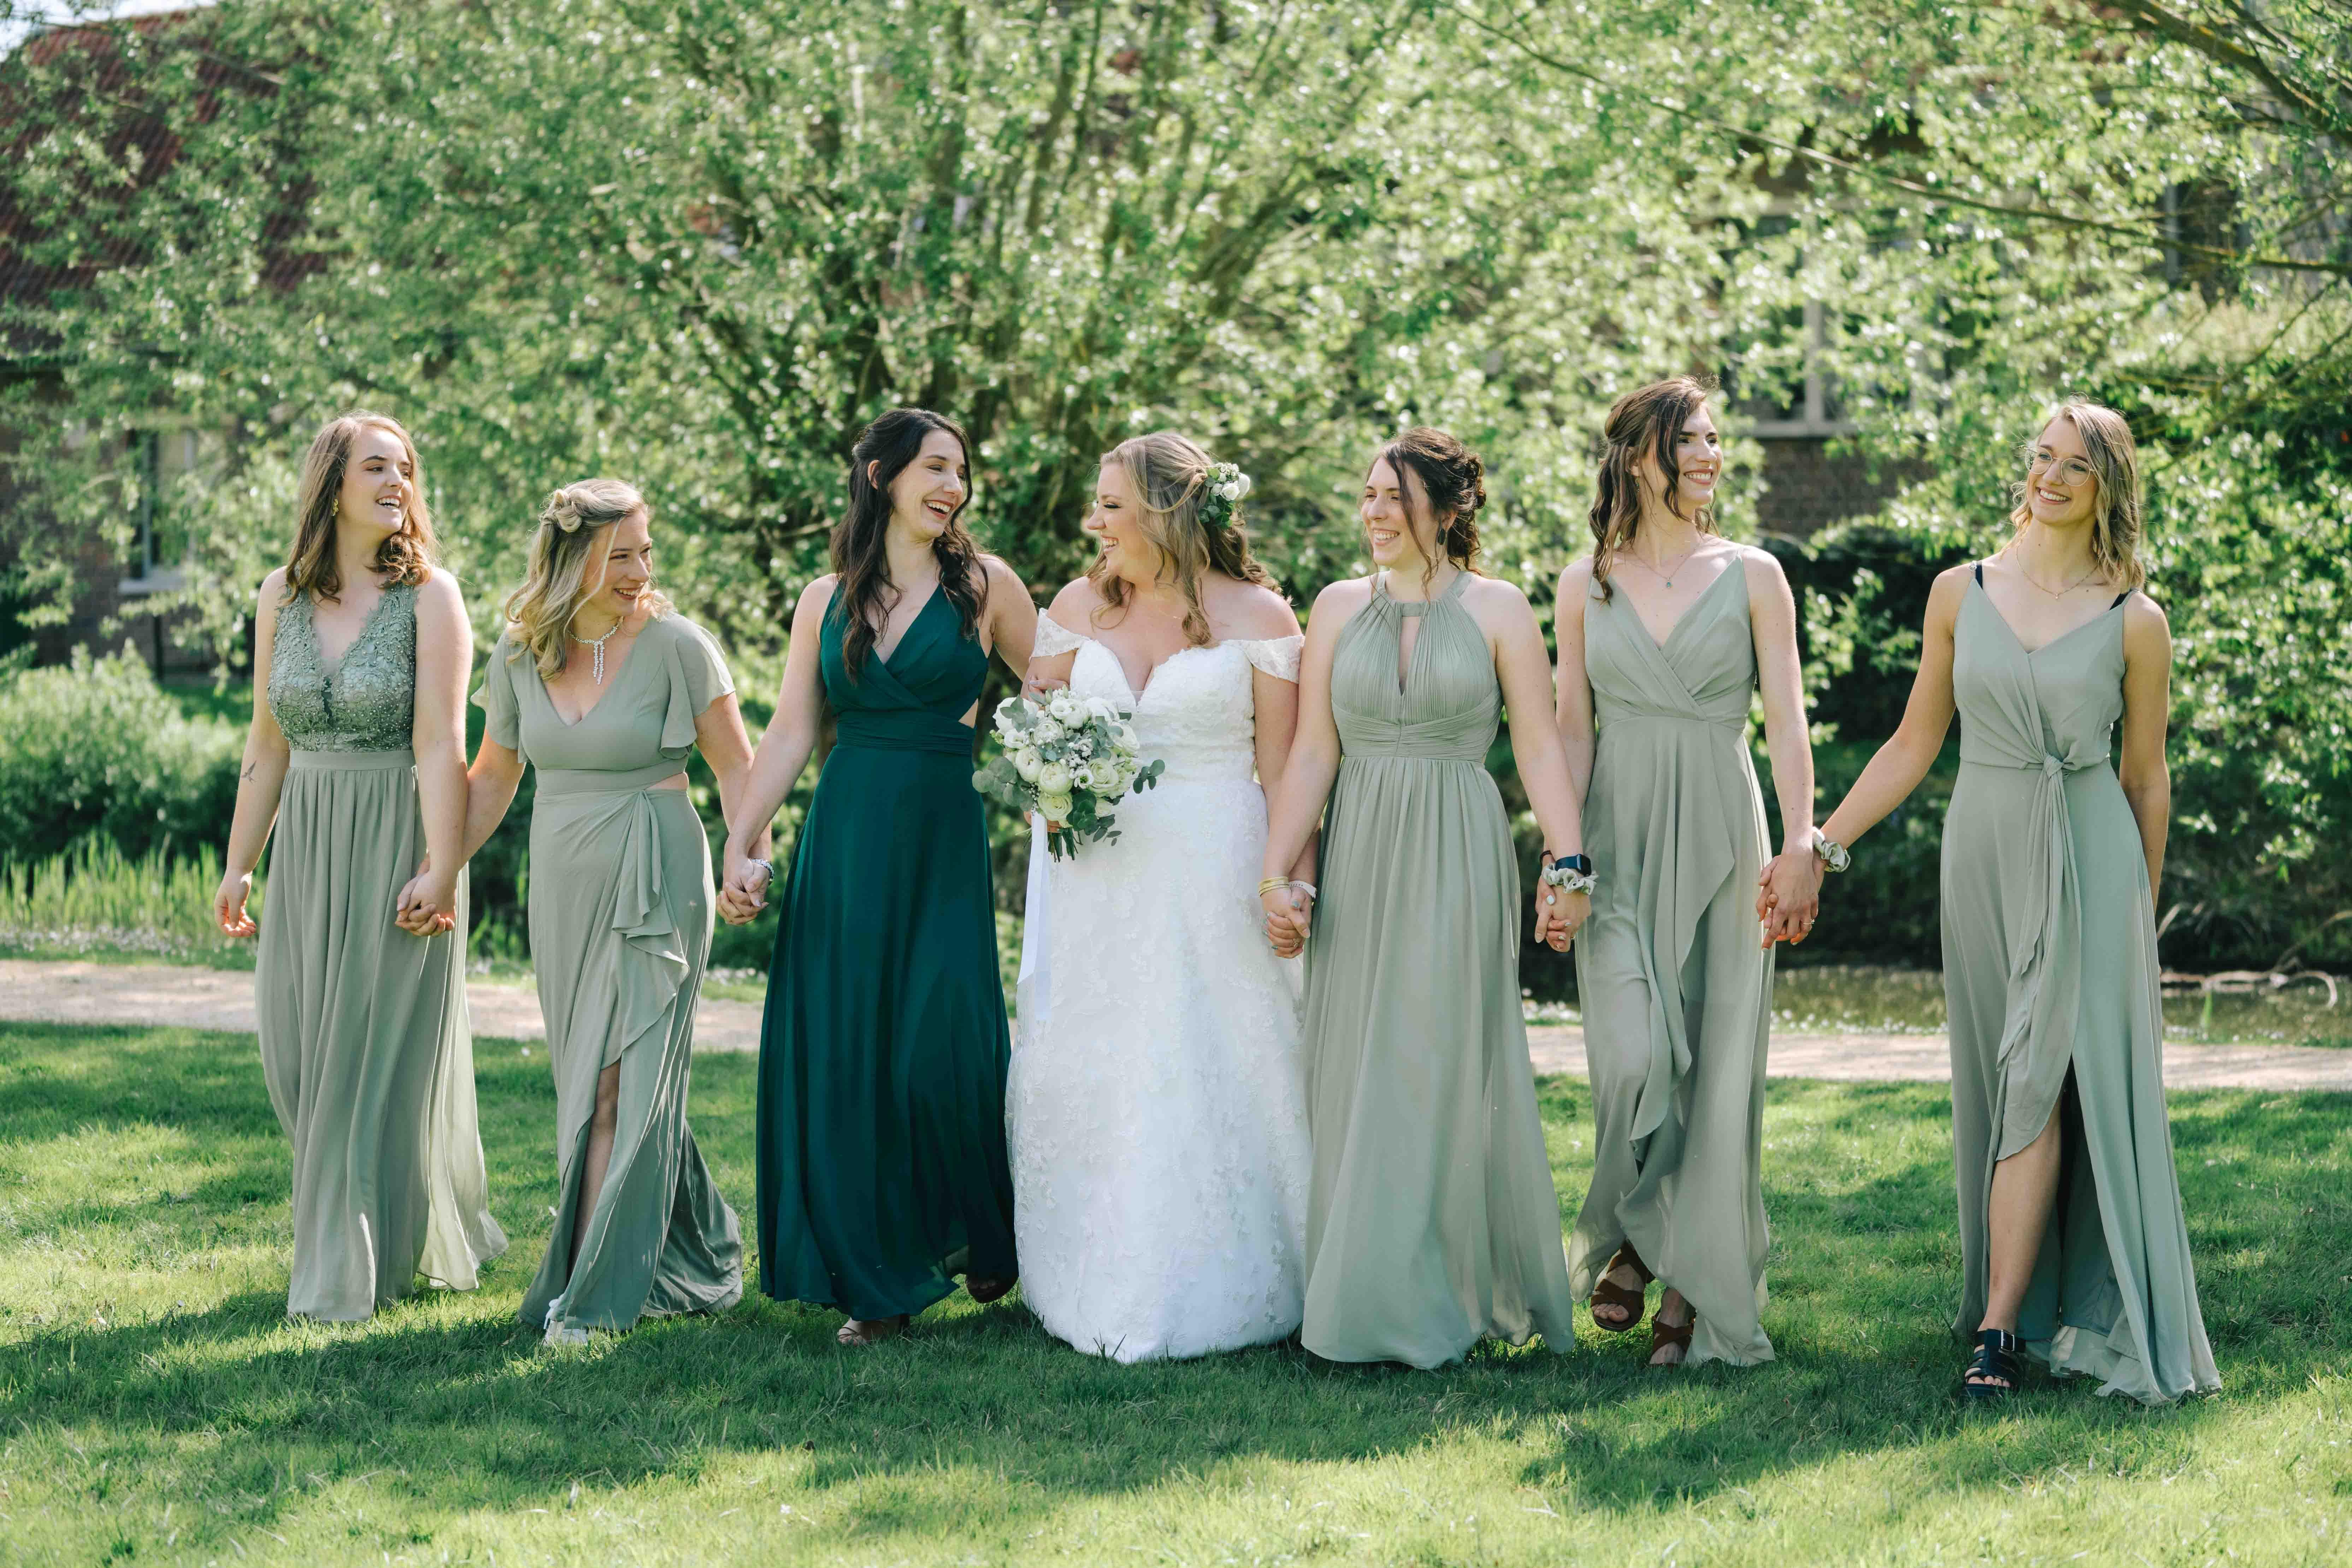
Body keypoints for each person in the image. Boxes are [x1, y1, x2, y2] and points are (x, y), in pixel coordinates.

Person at [1778, 399, 2219, 1404]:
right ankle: (2019, 1301)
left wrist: (2136, 916)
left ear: (2108, 486)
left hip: (2090, 860)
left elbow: (2144, 778)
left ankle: (1997, 1327)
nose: (2050, 476)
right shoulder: (1958, 591)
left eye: (2075, 464)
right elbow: (1911, 742)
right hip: (1981, 851)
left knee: (2035, 1073)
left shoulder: (2134, 620)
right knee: (2005, 1072)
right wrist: (1820, 846)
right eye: (2041, 456)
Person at [1258, 427, 1581, 1368]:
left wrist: (1569, 865)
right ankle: (1358, 1293)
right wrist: (1276, 874)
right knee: (1358, 1064)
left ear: (1444, 509)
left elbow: (1538, 746)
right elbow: (1312, 750)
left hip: (1456, 847)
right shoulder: (1333, 606)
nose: (1373, 512)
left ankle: (1438, 1293)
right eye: (1366, 494)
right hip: (1361, 847)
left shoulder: (1499, 608)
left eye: (1393, 496)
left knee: (1435, 1061)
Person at [721, 408, 1039, 1346]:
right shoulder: (825, 598)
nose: (953, 487)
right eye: (935, 467)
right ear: (879, 476)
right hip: (849, 833)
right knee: (852, 1045)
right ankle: (876, 1284)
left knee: (944, 1035)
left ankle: (977, 1223)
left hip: (943, 832)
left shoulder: (987, 587)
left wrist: (1051, 776)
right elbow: (791, 730)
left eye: (961, 471)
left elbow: (1060, 693)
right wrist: (740, 841)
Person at [1011, 432, 1310, 1361]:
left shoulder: (1258, 616)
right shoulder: (1075, 605)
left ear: (1165, 511)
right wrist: (1047, 780)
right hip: (1095, 870)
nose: (1094, 522)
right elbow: (1032, 726)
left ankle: (1229, 1270)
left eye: (1111, 506)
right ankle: (1088, 1267)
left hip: (1215, 864)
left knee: (1212, 1055)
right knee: (1098, 1053)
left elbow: (1284, 770)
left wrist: (1289, 879)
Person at [212, 409, 505, 1321]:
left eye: (405, 468)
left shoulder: (432, 597)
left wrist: (441, 866)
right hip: (307, 844)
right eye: (377, 465)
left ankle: (342, 1273)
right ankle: (365, 1234)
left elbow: (440, 745)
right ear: (331, 482)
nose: (397, 482)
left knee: (364, 1061)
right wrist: (240, 864)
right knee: (299, 1059)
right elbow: (267, 744)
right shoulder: (279, 595)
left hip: (396, 842)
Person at [456, 479, 756, 1343]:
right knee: (595, 1076)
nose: (640, 571)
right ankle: (696, 1243)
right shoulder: (519, 654)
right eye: (619, 555)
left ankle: (586, 1292)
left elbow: (738, 768)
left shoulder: (678, 646)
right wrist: (438, 871)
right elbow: (492, 778)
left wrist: (747, 854)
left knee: (619, 1080)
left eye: (645, 552)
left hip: (659, 871)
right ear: (569, 559)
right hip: (564, 883)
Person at [1554, 375, 1815, 1368]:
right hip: (1618, 837)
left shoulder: (1754, 574)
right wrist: (1564, 858)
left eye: (1713, 440)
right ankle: (1635, 1225)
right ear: (1637, 457)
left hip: (1722, 829)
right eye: (1690, 440)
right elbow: (1570, 729)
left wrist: (1801, 842)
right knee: (1632, 1055)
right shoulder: (1585, 583)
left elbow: (1785, 717)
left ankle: (1685, 1284)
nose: (1710, 455)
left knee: (1712, 1065)